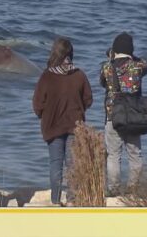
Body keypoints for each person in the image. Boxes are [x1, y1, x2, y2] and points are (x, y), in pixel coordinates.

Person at [32, 37, 93, 206]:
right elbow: (88, 99)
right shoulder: (79, 75)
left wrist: (44, 115)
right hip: (75, 125)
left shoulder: (47, 76)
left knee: (55, 164)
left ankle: (55, 200)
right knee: (73, 165)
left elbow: (37, 104)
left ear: (54, 53)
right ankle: (72, 200)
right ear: (70, 54)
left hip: (53, 126)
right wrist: (79, 110)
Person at [99, 32, 147, 196]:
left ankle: (114, 190)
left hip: (113, 116)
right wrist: (132, 57)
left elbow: (102, 82)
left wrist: (111, 59)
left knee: (114, 155)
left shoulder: (107, 67)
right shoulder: (137, 66)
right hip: (134, 117)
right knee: (135, 155)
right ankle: (132, 188)